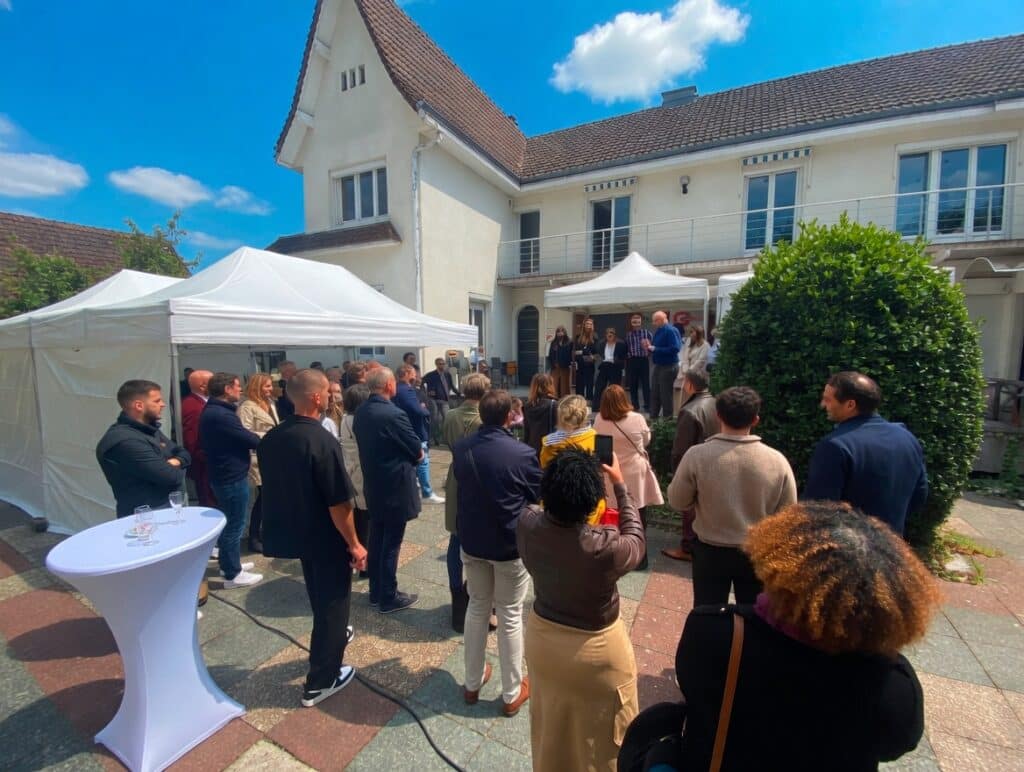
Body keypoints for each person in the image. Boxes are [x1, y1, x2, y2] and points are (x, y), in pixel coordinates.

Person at [619, 501, 937, 772]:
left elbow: (697, 696)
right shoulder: (893, 687)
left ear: (782, 566)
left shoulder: (720, 635)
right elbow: (896, 743)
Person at [518, 449, 644, 772]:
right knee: (604, 743)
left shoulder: (527, 523)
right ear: (592, 505)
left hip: (543, 639)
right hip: (597, 651)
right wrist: (621, 487)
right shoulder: (605, 547)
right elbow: (636, 541)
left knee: (551, 731)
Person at [258, 369, 368, 708]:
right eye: (328, 393)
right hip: (325, 535)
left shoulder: (272, 437)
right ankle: (321, 680)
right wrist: (355, 543)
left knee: (320, 594)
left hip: (297, 532)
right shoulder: (321, 440)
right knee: (335, 603)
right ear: (317, 397)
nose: (333, 397)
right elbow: (338, 502)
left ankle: (332, 638)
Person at [453, 389, 540, 717]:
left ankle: (472, 684)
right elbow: (536, 492)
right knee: (510, 614)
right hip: (508, 544)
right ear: (508, 417)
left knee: (477, 607)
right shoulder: (521, 453)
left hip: (472, 539)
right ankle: (511, 693)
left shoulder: (462, 448)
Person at [667, 387, 796, 606]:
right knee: (753, 614)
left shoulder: (697, 455)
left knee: (707, 612)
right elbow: (788, 516)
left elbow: (678, 500)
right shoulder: (777, 460)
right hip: (756, 551)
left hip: (710, 550)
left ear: (718, 416)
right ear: (755, 419)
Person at [804, 371, 928, 537]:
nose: (823, 405)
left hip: (850, 553)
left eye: (828, 400)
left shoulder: (835, 446)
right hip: (893, 549)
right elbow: (919, 495)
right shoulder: (906, 437)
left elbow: (819, 511)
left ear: (850, 405)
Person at [353, 367, 422, 613]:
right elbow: (417, 450)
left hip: (374, 484)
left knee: (378, 538)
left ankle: (376, 591)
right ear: (389, 385)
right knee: (391, 542)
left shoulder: (361, 411)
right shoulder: (393, 414)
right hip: (395, 486)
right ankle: (388, 596)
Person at [200, 372, 263, 588]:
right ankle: (231, 574)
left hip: (226, 474)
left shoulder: (218, 411)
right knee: (235, 524)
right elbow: (248, 438)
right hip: (230, 477)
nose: (240, 390)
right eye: (237, 386)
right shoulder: (221, 415)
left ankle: (230, 562)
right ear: (226, 389)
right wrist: (264, 439)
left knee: (232, 521)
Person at [96, 379, 190, 518]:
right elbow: (172, 477)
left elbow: (184, 453)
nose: (163, 404)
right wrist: (175, 463)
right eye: (157, 401)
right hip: (147, 516)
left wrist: (175, 462)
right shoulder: (125, 441)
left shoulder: (148, 430)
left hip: (165, 508)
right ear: (139, 405)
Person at [592, 385, 662, 570]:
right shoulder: (638, 419)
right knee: (638, 512)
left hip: (611, 471)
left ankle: (616, 554)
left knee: (613, 515)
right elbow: (646, 441)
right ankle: (640, 557)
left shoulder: (599, 419)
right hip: (634, 472)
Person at [441, 373, 490, 633]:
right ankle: (477, 593)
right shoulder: (485, 418)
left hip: (455, 476)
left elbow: (446, 441)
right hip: (479, 479)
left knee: (455, 537)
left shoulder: (449, 416)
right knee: (477, 541)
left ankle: (456, 592)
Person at [663, 369, 719, 562]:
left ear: (689, 385)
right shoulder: (715, 403)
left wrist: (677, 471)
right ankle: (700, 543)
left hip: (694, 465)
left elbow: (681, 447)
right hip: (715, 461)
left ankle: (688, 547)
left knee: (690, 508)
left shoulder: (690, 410)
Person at [540, 395, 607, 526]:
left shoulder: (548, 444)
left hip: (554, 509)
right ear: (585, 415)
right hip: (590, 510)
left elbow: (544, 469)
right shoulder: (598, 440)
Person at [237, 373, 280, 554]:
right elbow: (243, 432)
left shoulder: (270, 404)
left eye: (271, 386)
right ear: (257, 387)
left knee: (269, 497)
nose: (270, 389)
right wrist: (268, 437)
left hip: (272, 455)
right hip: (257, 457)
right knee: (263, 497)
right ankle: (253, 536)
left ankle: (265, 533)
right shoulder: (247, 407)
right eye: (267, 386)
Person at [393, 363, 444, 504]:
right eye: (413, 373)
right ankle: (427, 493)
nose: (416, 375)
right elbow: (416, 410)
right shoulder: (406, 390)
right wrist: (425, 410)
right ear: (405, 374)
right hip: (416, 430)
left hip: (407, 430)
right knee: (423, 461)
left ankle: (416, 489)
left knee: (415, 462)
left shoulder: (398, 389)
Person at [339, 384, 372, 579]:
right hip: (361, 472)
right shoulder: (360, 421)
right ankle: (365, 564)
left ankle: (356, 559)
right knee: (366, 521)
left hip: (350, 470)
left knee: (358, 518)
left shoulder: (344, 419)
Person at [181, 369, 215, 507]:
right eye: (213, 382)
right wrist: (207, 458)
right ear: (203, 386)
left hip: (208, 462)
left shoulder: (204, 402)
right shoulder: (193, 406)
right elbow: (192, 439)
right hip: (204, 465)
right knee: (209, 500)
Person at [646, 311, 681, 419]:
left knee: (666, 395)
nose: (653, 323)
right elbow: (657, 347)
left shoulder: (670, 330)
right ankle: (653, 417)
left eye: (655, 321)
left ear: (661, 320)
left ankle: (667, 421)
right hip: (659, 365)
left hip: (668, 366)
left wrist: (655, 348)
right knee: (655, 392)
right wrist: (650, 347)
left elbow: (675, 348)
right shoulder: (660, 330)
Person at [673, 326, 710, 415]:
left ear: (699, 333)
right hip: (686, 373)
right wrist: (685, 370)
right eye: (690, 332)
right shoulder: (689, 342)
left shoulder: (705, 345)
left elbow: (700, 361)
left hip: (698, 375)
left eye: (692, 332)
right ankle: (680, 414)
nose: (691, 334)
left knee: (694, 396)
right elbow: (684, 357)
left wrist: (689, 372)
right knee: (683, 397)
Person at [522, 373, 558, 458]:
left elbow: (527, 431)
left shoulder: (527, 406)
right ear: (550, 385)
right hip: (548, 449)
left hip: (532, 449)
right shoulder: (554, 405)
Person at [592, 327, 627, 411]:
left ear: (615, 335)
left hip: (615, 366)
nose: (610, 334)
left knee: (614, 389)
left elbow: (624, 356)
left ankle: (614, 407)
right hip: (604, 366)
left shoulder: (621, 344)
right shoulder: (601, 343)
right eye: (608, 333)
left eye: (612, 333)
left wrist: (619, 363)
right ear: (606, 335)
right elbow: (599, 353)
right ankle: (596, 407)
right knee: (599, 387)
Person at [625, 312, 653, 414]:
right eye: (634, 322)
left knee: (646, 384)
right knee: (633, 384)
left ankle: (647, 406)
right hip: (632, 361)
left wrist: (648, 351)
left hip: (643, 360)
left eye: (638, 321)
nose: (636, 324)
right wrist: (629, 355)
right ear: (632, 323)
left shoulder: (647, 333)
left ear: (641, 322)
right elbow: (626, 348)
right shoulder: (628, 335)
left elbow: (652, 347)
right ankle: (635, 406)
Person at [423, 357, 460, 427]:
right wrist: (425, 392)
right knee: (435, 419)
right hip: (434, 400)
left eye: (443, 364)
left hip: (444, 400)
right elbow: (421, 382)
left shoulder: (447, 374)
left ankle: (444, 434)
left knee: (447, 418)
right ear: (436, 364)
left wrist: (458, 393)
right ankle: (435, 435)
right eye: (440, 364)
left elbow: (451, 385)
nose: (442, 365)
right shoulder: (431, 375)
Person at [572, 317, 598, 403]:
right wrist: (584, 352)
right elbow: (575, 352)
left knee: (590, 384)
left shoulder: (595, 337)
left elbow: (596, 352)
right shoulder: (578, 337)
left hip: (590, 365)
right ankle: (579, 401)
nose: (589, 326)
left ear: (592, 326)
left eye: (590, 324)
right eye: (587, 324)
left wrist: (589, 355)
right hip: (580, 364)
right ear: (584, 325)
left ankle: (589, 401)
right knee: (579, 384)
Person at [547, 325, 573, 398]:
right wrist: (553, 364)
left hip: (565, 367)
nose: (560, 333)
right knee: (554, 385)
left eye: (562, 331)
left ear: (565, 332)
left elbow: (570, 355)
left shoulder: (569, 342)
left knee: (564, 386)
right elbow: (550, 355)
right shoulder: (554, 342)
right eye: (558, 331)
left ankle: (565, 400)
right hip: (555, 367)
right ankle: (554, 400)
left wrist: (567, 364)